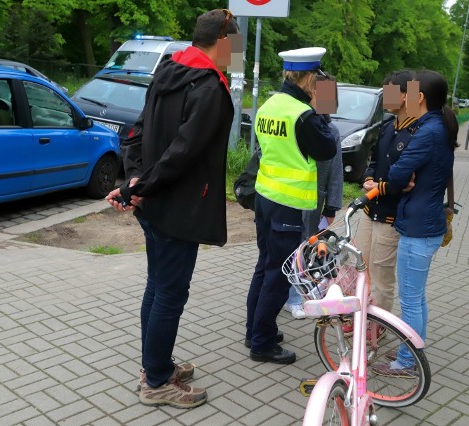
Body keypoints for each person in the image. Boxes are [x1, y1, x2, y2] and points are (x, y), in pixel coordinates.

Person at [105, 9, 239, 408]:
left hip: (156, 201)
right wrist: (137, 186)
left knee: (158, 287)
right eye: (236, 45)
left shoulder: (169, 70)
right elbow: (183, 152)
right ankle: (157, 380)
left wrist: (135, 182)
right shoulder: (210, 88)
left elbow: (137, 131)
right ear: (223, 40)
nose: (237, 53)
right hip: (180, 208)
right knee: (169, 293)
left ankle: (156, 363)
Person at [245, 47, 337, 364]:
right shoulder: (304, 115)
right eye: (318, 80)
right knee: (279, 275)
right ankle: (262, 343)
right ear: (310, 78)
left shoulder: (271, 104)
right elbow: (327, 148)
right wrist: (320, 108)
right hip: (287, 204)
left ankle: (254, 329)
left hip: (265, 198)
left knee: (265, 266)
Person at [370, 70, 458, 376]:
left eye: (408, 92)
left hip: (419, 228)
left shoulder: (428, 131)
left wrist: (397, 175)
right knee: (416, 297)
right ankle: (412, 349)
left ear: (419, 97)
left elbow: (395, 175)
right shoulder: (436, 125)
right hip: (425, 223)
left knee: (410, 300)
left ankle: (407, 362)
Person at [354, 70, 418, 321]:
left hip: (391, 217)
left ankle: (377, 326)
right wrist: (368, 178)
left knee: (382, 276)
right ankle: (358, 319)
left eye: (390, 91)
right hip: (370, 211)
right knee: (360, 268)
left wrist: (378, 186)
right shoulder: (388, 125)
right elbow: (374, 159)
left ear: (406, 96)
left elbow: (407, 181)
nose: (385, 97)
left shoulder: (416, 132)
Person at [283, 111, 343, 319]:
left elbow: (336, 169)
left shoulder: (330, 131)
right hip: (285, 196)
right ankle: (281, 296)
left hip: (314, 199)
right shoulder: (292, 122)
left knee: (304, 250)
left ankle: (294, 299)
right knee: (284, 248)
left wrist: (332, 206)